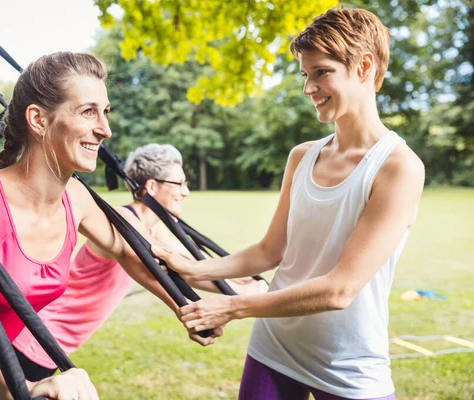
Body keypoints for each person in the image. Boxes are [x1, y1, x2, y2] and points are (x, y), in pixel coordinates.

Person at [0, 52, 207, 400]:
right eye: (88, 111)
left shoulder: (75, 198)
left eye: (105, 112)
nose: (105, 130)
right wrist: (23, 388)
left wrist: (187, 307)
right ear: (38, 120)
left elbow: (128, 248)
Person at [154, 7, 425, 400]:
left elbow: (340, 289)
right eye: (305, 74)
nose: (308, 88)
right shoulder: (302, 157)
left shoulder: (399, 168)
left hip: (349, 368)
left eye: (321, 72)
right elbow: (270, 251)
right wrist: (193, 268)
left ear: (365, 66)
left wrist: (233, 307)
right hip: (274, 352)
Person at [0, 143, 268, 388]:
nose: (186, 192)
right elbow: (156, 271)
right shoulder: (123, 221)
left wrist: (246, 285)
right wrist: (242, 295)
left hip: (53, 340)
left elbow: (193, 268)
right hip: (37, 337)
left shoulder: (153, 227)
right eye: (179, 184)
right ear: (151, 187)